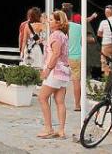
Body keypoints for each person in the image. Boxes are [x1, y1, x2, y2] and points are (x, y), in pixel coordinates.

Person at [37, 10, 70, 140]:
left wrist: (47, 70)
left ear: (58, 22)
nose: (49, 22)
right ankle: (61, 130)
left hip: (55, 71)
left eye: (51, 20)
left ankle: (48, 128)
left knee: (42, 97)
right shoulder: (63, 35)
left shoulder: (55, 35)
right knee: (60, 101)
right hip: (64, 72)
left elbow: (55, 54)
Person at [63, 5, 83, 111]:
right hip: (76, 57)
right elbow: (83, 41)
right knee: (76, 82)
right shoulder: (79, 27)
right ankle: (77, 105)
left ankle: (61, 103)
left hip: (64, 58)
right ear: (71, 15)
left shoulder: (62, 28)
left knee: (62, 82)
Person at [96, 5, 112, 76]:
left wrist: (105, 35)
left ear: (107, 13)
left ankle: (107, 80)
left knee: (105, 64)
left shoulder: (103, 22)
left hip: (106, 45)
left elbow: (99, 34)